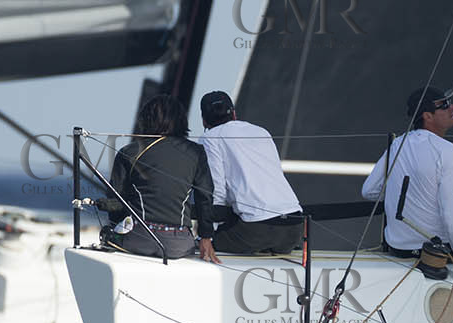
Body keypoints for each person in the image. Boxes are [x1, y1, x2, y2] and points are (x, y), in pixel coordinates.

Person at [360, 86, 453, 278]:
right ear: (428, 116)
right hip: (433, 253)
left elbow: (369, 191)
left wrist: (403, 193)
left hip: (397, 249)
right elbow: (452, 214)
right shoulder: (449, 152)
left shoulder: (397, 144)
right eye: (445, 106)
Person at [105, 94, 218, 262]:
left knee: (107, 234)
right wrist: (206, 237)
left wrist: (116, 227)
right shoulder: (196, 152)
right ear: (181, 121)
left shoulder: (129, 152)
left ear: (146, 120)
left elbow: (115, 200)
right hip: (180, 245)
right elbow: (205, 197)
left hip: (138, 239)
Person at [197, 91, 304, 255]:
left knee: (198, 243)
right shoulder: (261, 131)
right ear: (233, 113)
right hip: (294, 228)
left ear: (204, 121)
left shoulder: (210, 139)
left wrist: (208, 234)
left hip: (257, 231)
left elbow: (216, 189)